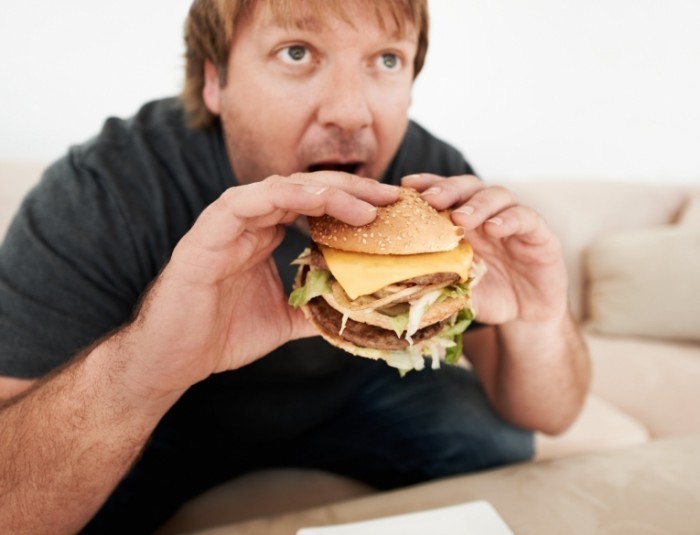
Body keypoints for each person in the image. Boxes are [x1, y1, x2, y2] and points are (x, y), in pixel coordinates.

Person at [0, 0, 590, 532]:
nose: (351, 113)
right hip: (168, 421)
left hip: (354, 398)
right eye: (297, 52)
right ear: (215, 80)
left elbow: (547, 415)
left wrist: (539, 317)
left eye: (386, 60)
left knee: (493, 438)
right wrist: (148, 367)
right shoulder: (103, 189)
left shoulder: (427, 173)